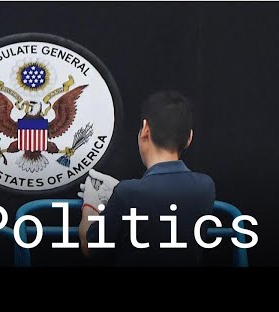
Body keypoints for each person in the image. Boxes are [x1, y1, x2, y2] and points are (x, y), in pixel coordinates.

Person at [78, 90, 215, 266]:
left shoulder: (128, 193)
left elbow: (89, 247)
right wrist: (120, 193)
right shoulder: (206, 187)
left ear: (145, 130)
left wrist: (91, 205)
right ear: (189, 137)